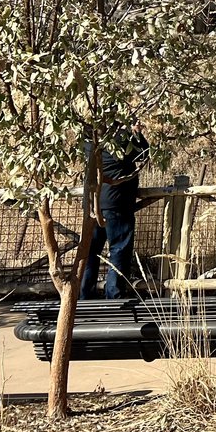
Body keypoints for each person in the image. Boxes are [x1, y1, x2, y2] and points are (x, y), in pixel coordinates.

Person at [81, 125, 150, 300]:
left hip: (92, 202)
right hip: (117, 202)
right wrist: (136, 133)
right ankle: (114, 296)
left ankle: (84, 294)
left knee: (90, 251)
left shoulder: (88, 135)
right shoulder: (122, 136)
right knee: (119, 249)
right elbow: (144, 154)